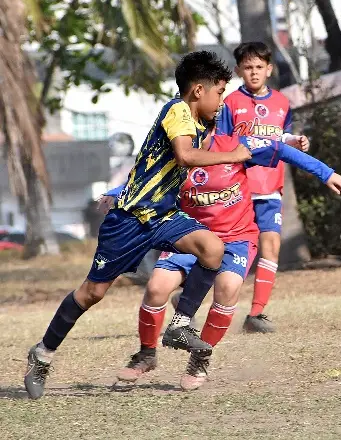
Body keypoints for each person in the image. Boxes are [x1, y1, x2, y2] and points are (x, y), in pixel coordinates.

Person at [23, 51, 252, 400]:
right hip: (128, 221)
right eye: (219, 93)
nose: (222, 101)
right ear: (197, 91)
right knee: (92, 294)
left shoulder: (203, 124)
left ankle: (179, 324)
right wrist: (234, 154)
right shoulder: (177, 110)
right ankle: (42, 354)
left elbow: (152, 164)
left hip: (163, 217)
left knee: (212, 248)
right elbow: (185, 157)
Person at [115, 129, 341, 390]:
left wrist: (326, 173)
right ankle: (146, 355)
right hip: (191, 236)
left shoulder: (238, 145)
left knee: (228, 288)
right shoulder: (172, 153)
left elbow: (283, 151)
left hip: (235, 239)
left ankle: (200, 358)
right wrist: (114, 194)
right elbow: (142, 181)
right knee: (156, 287)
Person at [217, 41, 307, 333]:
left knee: (271, 245)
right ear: (238, 70)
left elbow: (284, 137)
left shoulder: (281, 103)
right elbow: (220, 144)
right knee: (225, 251)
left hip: (270, 187)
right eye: (248, 67)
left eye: (259, 67)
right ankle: (188, 295)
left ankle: (256, 315)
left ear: (269, 69)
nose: (254, 73)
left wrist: (298, 142)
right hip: (239, 189)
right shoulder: (230, 103)